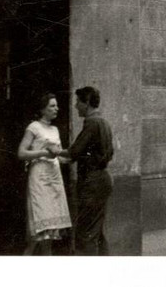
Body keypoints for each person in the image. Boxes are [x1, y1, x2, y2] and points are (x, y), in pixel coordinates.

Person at [51, 86, 113, 255]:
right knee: (97, 231)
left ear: (87, 103)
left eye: (78, 101)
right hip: (103, 179)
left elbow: (75, 151)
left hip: (91, 182)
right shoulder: (104, 122)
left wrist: (56, 151)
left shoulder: (91, 122)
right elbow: (100, 152)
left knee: (85, 233)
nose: (76, 105)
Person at [17, 92, 72, 255]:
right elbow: (21, 153)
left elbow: (58, 155)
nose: (57, 109)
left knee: (50, 234)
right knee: (37, 233)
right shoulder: (34, 127)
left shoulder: (55, 129)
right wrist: (43, 153)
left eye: (57, 106)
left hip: (55, 178)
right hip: (40, 179)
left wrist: (69, 157)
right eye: (52, 106)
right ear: (42, 109)